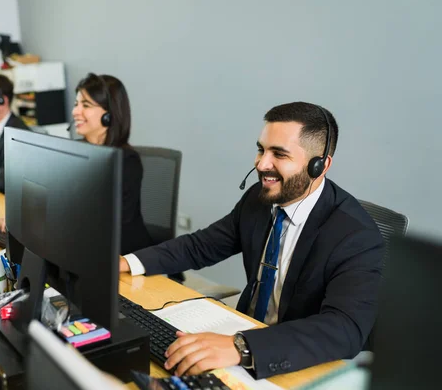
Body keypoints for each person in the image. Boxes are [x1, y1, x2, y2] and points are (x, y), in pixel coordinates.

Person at [119, 102, 384, 379]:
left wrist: (242, 347)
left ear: (320, 166)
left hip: (300, 363)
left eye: (278, 154)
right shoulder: (259, 200)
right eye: (261, 149)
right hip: (244, 336)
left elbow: (344, 329)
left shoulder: (356, 236)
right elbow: (201, 246)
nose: (261, 163)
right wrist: (126, 262)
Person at [0, 73, 152, 255]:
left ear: (109, 114)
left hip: (123, 258)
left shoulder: (126, 161)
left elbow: (105, 225)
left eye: (85, 105)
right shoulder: (76, 151)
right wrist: (19, 218)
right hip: (82, 251)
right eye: (76, 104)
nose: (75, 112)